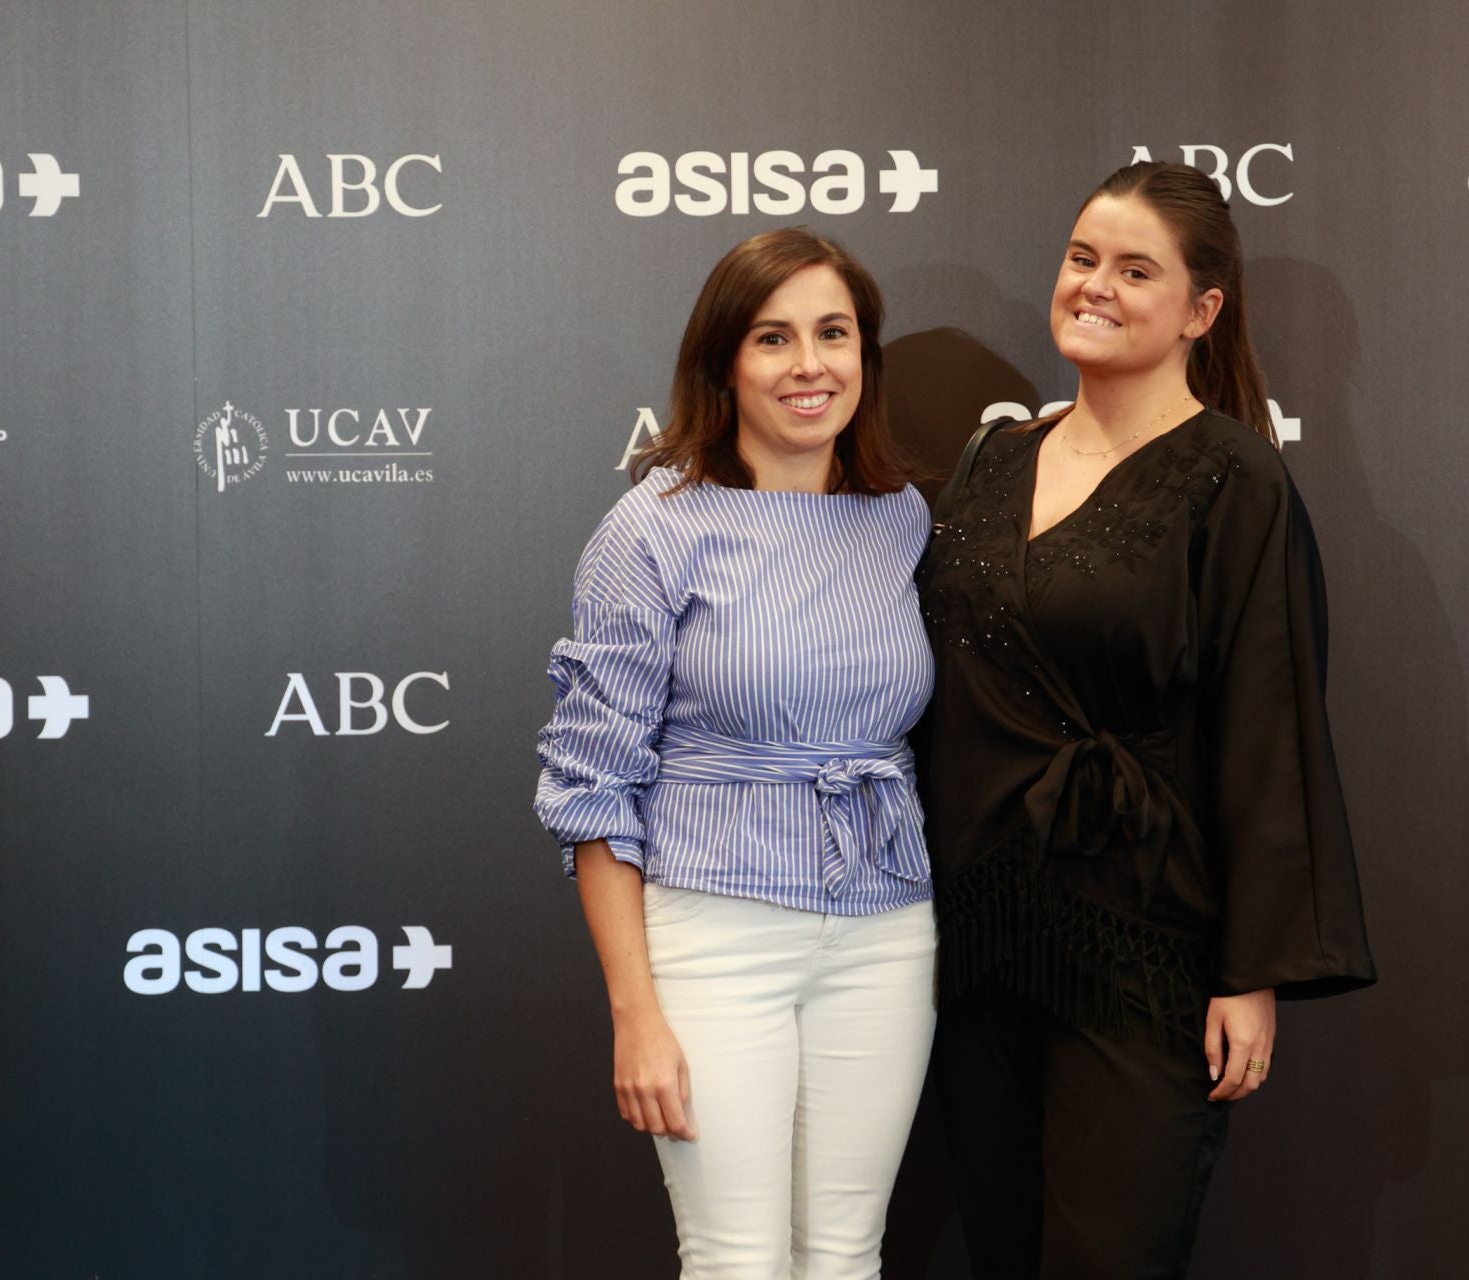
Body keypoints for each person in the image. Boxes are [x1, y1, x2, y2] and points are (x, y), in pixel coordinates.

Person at [915, 161, 1377, 1278]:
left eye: (1135, 270)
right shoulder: (990, 462)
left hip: (1141, 947)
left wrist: (1250, 972)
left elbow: (1268, 729)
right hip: (979, 940)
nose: (1096, 286)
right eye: (1084, 258)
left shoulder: (1235, 479)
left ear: (1201, 311)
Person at [533, 227, 937, 1280]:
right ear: (723, 363)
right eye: (773, 337)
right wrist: (635, 1012)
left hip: (887, 927)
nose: (810, 365)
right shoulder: (652, 529)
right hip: (716, 933)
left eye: (833, 333)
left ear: (864, 354)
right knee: (735, 1261)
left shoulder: (899, 518)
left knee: (846, 1257)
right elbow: (592, 789)